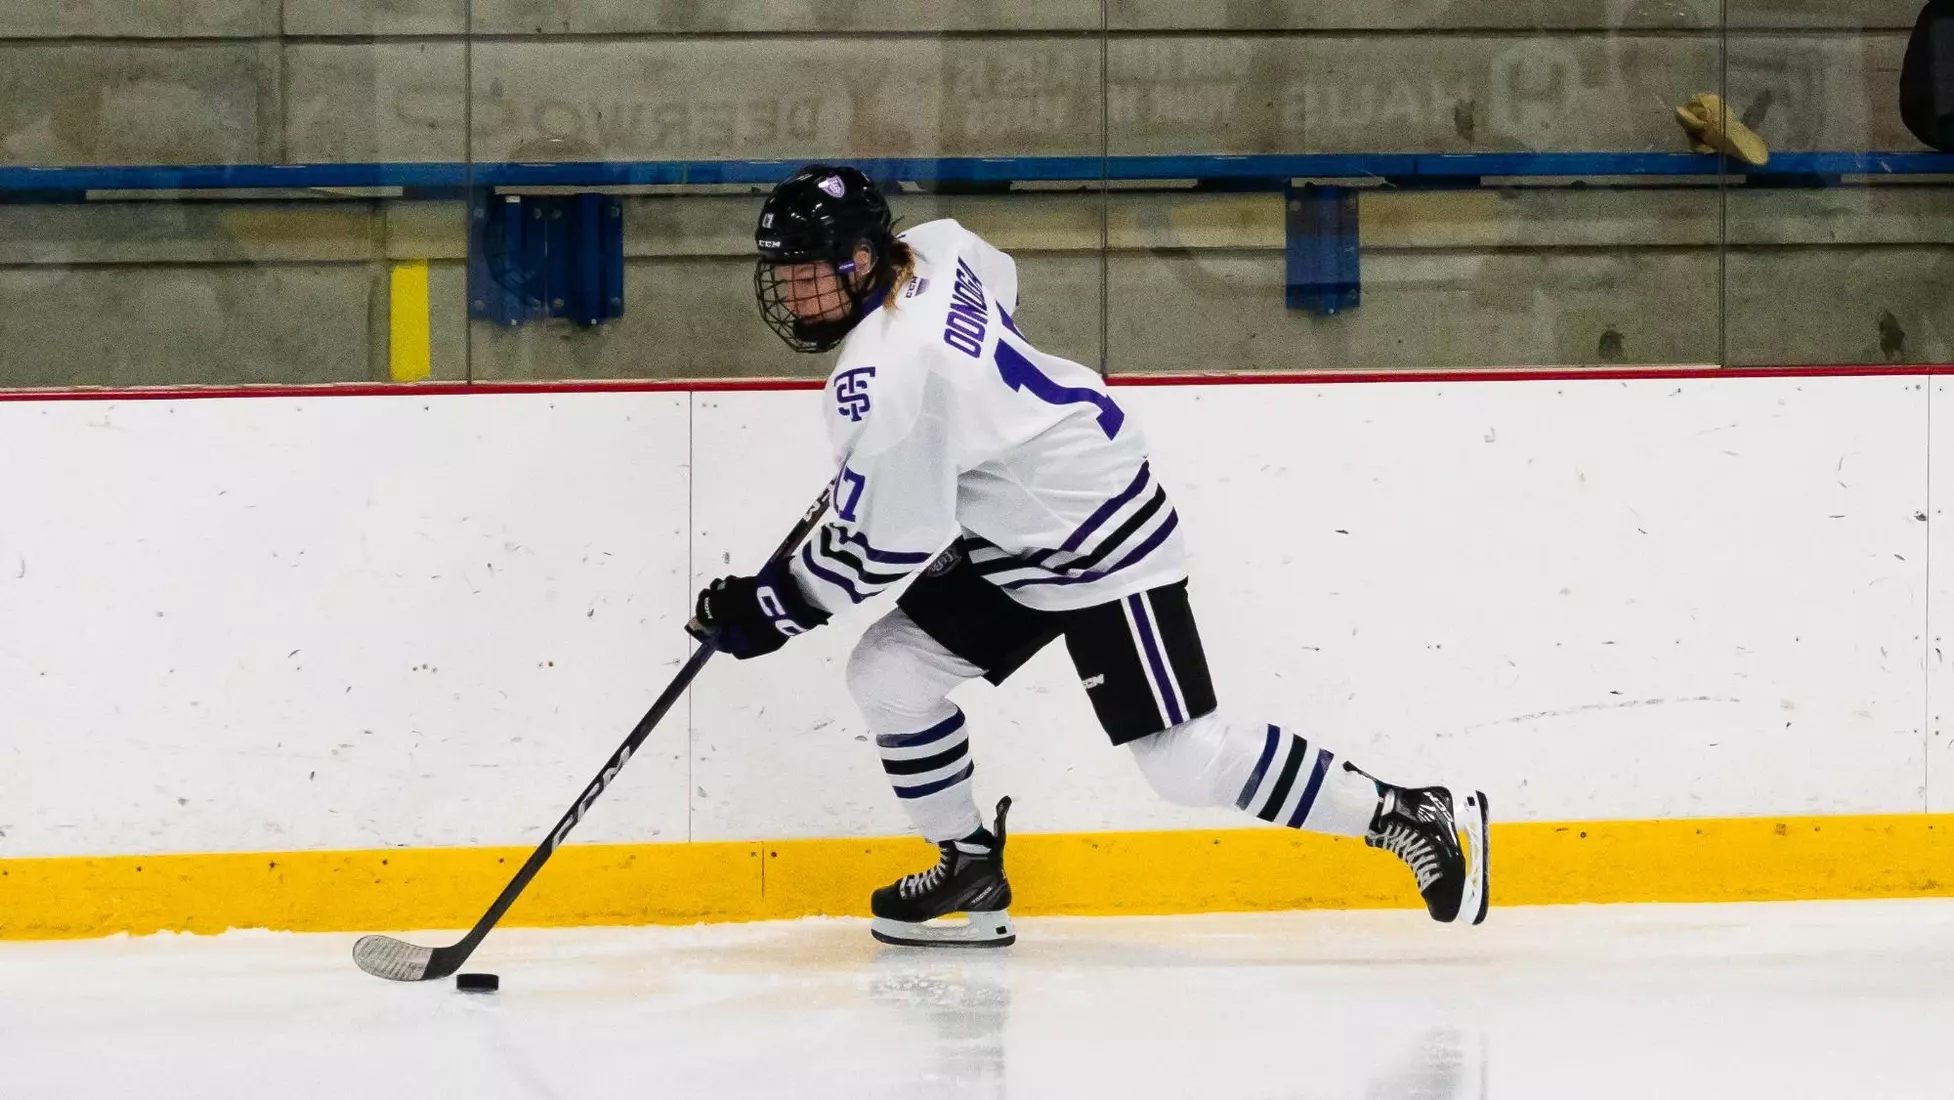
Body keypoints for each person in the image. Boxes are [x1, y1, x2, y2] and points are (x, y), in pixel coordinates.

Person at [689, 165, 1489, 947]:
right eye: (784, 275)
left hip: (1097, 535)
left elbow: (886, 539)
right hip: (1021, 536)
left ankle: (1404, 814)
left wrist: (773, 608)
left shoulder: (881, 377)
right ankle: (969, 864)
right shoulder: (936, 246)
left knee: (1181, 758)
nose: (794, 295)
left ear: (863, 259)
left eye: (810, 274)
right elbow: (998, 290)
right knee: (890, 675)